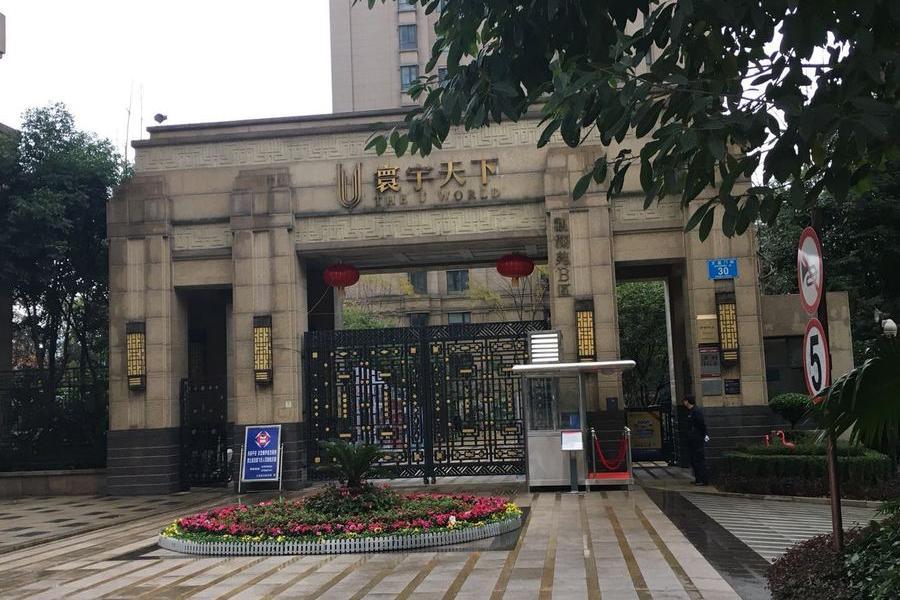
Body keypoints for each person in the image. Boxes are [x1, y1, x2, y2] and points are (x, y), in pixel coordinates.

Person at [683, 396, 708, 485]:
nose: (684, 403)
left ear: (687, 401)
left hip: (697, 440)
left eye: (684, 401)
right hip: (692, 440)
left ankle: (703, 479)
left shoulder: (696, 412)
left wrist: (702, 435)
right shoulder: (691, 411)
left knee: (699, 459)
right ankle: (698, 479)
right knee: (693, 460)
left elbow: (701, 425)